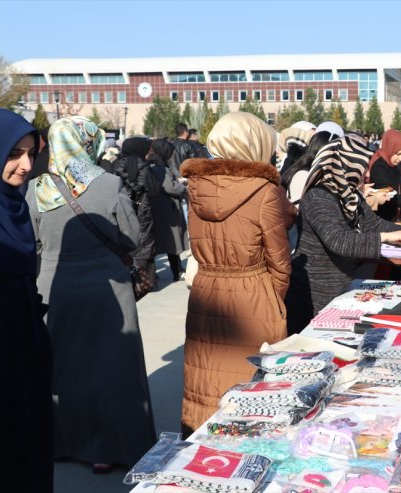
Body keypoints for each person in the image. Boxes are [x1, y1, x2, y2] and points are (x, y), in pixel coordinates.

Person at [26, 116, 156, 473]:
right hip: (108, 288)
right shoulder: (109, 183)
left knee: (63, 367)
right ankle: (108, 449)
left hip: (54, 285)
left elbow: (33, 243)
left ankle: (63, 443)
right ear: (88, 143)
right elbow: (130, 236)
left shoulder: (38, 188)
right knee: (113, 368)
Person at [180, 112, 292, 436]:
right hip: (252, 291)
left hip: (206, 290)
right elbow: (280, 263)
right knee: (251, 395)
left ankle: (202, 459)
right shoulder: (263, 189)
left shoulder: (196, 186)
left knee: (204, 382)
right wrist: (271, 301)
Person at [285, 135, 401, 334]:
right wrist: (386, 237)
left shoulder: (349, 194)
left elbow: (372, 223)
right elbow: (339, 240)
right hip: (314, 291)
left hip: (338, 284)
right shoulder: (318, 196)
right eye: (363, 166)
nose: (366, 173)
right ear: (347, 165)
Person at [0, 108, 53, 492]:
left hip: (23, 342)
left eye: (32, 153)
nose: (25, 165)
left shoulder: (14, 206)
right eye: (14, 153)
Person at [114, 136, 159, 284]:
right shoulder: (145, 166)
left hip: (121, 208)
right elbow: (153, 190)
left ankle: (130, 276)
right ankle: (146, 280)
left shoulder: (115, 164)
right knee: (145, 240)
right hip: (143, 208)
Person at [148, 139, 189, 281]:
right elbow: (170, 188)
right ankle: (177, 272)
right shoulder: (162, 169)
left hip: (156, 209)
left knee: (156, 244)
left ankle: (153, 274)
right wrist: (183, 187)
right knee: (173, 244)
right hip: (167, 210)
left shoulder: (150, 166)